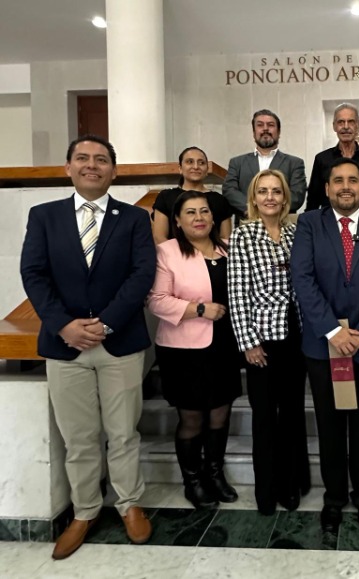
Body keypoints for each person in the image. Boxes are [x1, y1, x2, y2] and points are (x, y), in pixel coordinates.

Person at [20, 135, 156, 559]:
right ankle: (85, 510)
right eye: (83, 158)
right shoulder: (44, 216)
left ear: (114, 171)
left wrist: (107, 322)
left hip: (120, 343)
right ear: (68, 167)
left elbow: (142, 274)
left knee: (123, 432)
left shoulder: (134, 218)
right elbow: (34, 274)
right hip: (65, 346)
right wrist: (63, 325)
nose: (91, 165)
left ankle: (129, 503)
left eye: (101, 159)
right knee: (78, 437)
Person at [291, 158, 359, 534]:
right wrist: (332, 331)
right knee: (330, 425)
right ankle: (334, 498)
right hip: (323, 346)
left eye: (352, 180)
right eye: (337, 180)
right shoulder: (309, 223)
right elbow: (302, 278)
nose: (345, 186)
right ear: (326, 189)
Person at [147, 191, 241, 508]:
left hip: (224, 345)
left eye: (204, 211)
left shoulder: (228, 249)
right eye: (190, 212)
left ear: (214, 218)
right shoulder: (167, 252)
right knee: (192, 419)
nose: (199, 217)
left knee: (220, 414)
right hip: (184, 351)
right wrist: (199, 309)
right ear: (177, 220)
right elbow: (156, 300)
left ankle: (215, 474)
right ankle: (193, 481)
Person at [228, 169, 310, 515]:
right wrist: (248, 343)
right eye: (263, 191)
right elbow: (237, 293)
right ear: (254, 198)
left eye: (276, 191)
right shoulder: (243, 235)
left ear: (285, 197)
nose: (270, 197)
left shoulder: (296, 233)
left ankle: (291, 484)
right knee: (264, 417)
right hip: (262, 338)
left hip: (296, 334)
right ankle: (266, 491)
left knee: (292, 412)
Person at [223, 109, 307, 217]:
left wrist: (269, 209)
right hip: (246, 221)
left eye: (270, 125)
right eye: (260, 125)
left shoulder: (295, 163)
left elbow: (297, 196)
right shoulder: (237, 163)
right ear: (254, 133)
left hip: (282, 222)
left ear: (279, 132)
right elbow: (229, 191)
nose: (265, 128)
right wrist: (252, 208)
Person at [152, 146, 234, 244]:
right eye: (190, 162)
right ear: (180, 168)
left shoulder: (220, 200)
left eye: (201, 163)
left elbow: (225, 238)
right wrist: (176, 253)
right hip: (172, 252)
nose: (196, 167)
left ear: (207, 169)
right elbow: (159, 237)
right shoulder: (166, 196)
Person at [306, 103, 359, 210]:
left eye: (351, 122)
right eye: (341, 122)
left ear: (358, 125)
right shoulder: (321, 159)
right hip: (329, 218)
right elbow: (313, 199)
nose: (346, 127)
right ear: (334, 126)